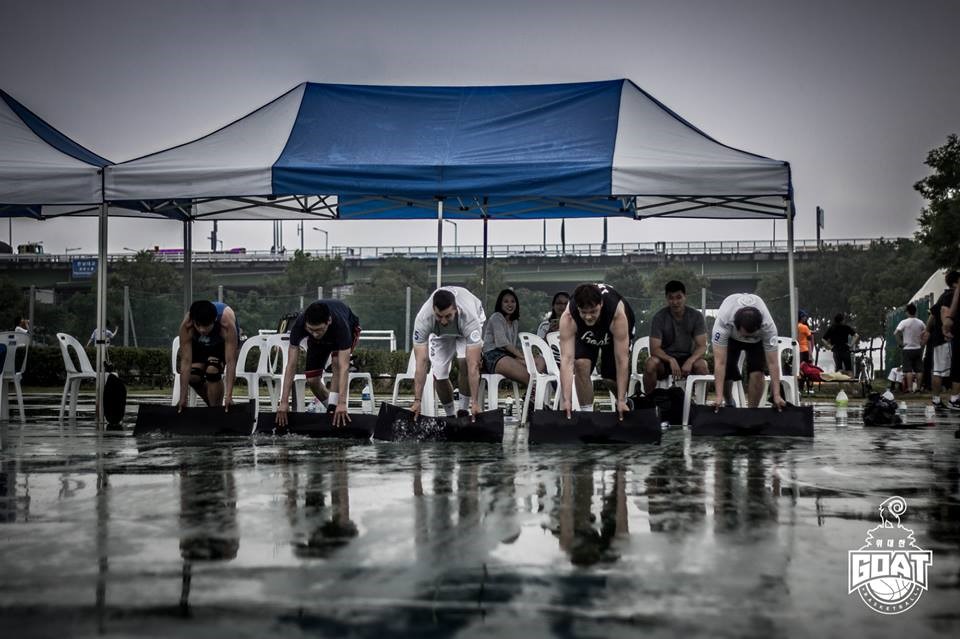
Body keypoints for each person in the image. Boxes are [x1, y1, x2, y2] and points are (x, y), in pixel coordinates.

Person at [275, 300, 361, 428]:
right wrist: (283, 402)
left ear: (329, 321)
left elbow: (344, 367)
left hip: (347, 325)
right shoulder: (300, 326)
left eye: (318, 330)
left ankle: (335, 408)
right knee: (312, 380)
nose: (315, 334)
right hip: (321, 340)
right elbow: (291, 365)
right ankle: (331, 410)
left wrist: (342, 403)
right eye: (311, 330)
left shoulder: (341, 326)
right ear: (306, 324)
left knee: (337, 362)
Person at [558, 283, 635, 419]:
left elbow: (621, 360)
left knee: (609, 377)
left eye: (593, 311)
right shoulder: (569, 317)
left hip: (611, 332)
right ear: (577, 308)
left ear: (601, 305)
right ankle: (586, 415)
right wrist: (567, 401)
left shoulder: (617, 314)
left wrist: (621, 400)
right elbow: (566, 360)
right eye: (584, 312)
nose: (588, 317)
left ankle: (624, 401)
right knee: (580, 364)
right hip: (585, 333)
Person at [410, 287, 485, 419]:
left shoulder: (470, 320)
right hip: (439, 333)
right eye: (439, 316)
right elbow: (421, 363)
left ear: (456, 310)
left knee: (465, 362)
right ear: (433, 310)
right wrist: (417, 401)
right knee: (439, 373)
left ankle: (464, 410)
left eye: (447, 316)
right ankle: (450, 416)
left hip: (465, 326)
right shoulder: (423, 319)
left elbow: (473, 365)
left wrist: (475, 403)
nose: (444, 321)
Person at [711, 293, 785, 410]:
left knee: (757, 372)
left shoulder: (768, 327)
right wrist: (718, 396)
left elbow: (773, 363)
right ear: (736, 326)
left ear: (759, 327)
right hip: (731, 339)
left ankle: (752, 411)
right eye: (745, 336)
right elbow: (720, 363)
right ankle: (728, 400)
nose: (747, 339)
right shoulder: (723, 323)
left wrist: (777, 395)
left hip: (758, 342)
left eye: (751, 336)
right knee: (727, 368)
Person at [643, 280, 708, 393]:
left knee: (702, 365)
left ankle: (702, 406)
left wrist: (690, 361)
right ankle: (650, 403)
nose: (675, 302)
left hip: (688, 358)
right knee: (650, 363)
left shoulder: (696, 316)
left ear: (685, 297)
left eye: (678, 297)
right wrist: (670, 360)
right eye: (671, 298)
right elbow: (654, 349)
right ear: (666, 299)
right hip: (665, 362)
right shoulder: (659, 317)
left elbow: (702, 346)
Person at [176, 300, 240, 411]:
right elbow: (186, 361)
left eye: (206, 326)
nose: (202, 330)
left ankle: (215, 408)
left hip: (219, 343)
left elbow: (230, 361)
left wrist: (229, 396)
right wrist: (183, 397)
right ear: (193, 321)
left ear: (214, 321)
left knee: (212, 370)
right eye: (198, 325)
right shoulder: (187, 326)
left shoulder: (226, 324)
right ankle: (213, 407)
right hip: (199, 344)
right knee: (193, 375)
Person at [482, 289, 543, 385]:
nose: (510, 304)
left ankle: (532, 394)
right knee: (529, 377)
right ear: (500, 304)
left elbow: (512, 345)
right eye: (506, 301)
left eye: (513, 301)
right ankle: (533, 394)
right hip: (493, 356)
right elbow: (502, 343)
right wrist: (521, 356)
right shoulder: (496, 317)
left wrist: (522, 357)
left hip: (509, 355)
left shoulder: (514, 322)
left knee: (540, 361)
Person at [928, 270, 959, 410]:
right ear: (955, 282)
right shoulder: (952, 295)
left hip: (937, 338)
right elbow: (943, 312)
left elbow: (932, 314)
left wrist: (927, 331)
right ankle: (954, 399)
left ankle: (936, 400)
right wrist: (946, 330)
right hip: (946, 339)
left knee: (938, 370)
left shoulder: (944, 294)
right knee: (946, 370)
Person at [894, 303, 926, 393]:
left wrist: (900, 343)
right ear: (915, 312)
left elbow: (896, 332)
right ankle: (918, 388)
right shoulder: (920, 322)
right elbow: (926, 332)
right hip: (918, 348)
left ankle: (910, 388)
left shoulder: (904, 322)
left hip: (907, 349)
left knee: (908, 370)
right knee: (919, 369)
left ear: (907, 312)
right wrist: (922, 342)